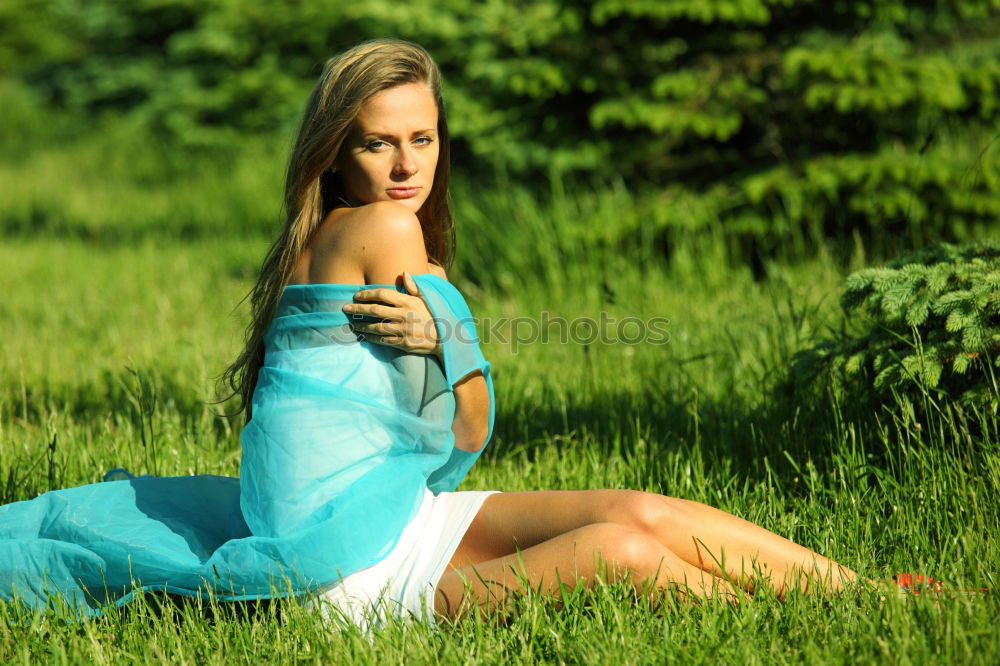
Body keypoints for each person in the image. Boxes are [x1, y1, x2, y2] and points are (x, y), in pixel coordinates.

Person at [0, 39, 920, 629]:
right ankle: (814, 629)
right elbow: (472, 427)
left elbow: (439, 427)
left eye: (424, 139)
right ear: (335, 149)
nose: (407, 166)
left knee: (637, 507)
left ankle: (884, 599)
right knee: (628, 553)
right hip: (346, 579)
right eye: (377, 142)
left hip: (391, 521)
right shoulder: (386, 236)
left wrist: (444, 327)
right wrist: (454, 325)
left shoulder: (322, 239)